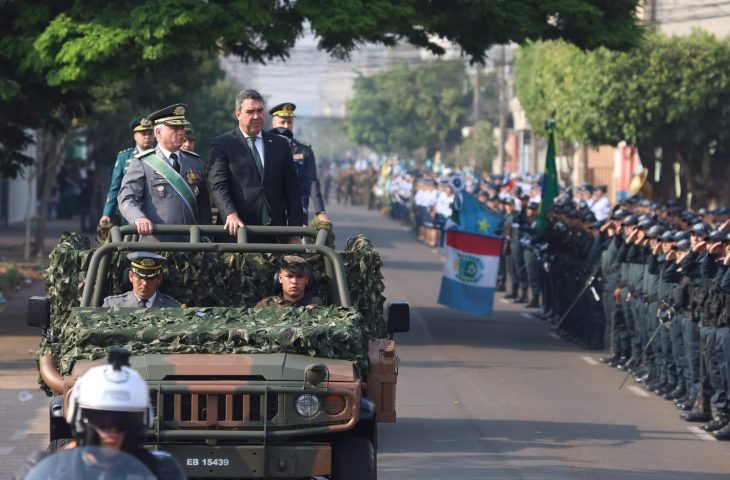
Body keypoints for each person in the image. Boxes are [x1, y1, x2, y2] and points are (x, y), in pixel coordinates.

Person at [14, 349, 185, 479]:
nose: (111, 431)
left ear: (143, 421)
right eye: (100, 420)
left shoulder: (161, 470)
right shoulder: (45, 469)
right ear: (78, 419)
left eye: (123, 422)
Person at [207, 90, 304, 242]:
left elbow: (292, 190)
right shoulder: (223, 144)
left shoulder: (280, 144)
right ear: (238, 114)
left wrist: (295, 232)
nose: (256, 116)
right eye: (250, 112)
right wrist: (230, 213)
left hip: (275, 234)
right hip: (238, 233)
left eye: (260, 111)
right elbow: (217, 186)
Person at [118, 104, 212, 241]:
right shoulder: (142, 163)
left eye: (182, 127)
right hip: (157, 245)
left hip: (192, 246)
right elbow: (126, 198)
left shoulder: (195, 161)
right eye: (174, 128)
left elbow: (204, 207)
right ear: (158, 133)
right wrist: (139, 218)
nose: (180, 132)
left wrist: (207, 238)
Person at [268, 102, 329, 224]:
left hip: (298, 209)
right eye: (282, 122)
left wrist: (320, 211)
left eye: (289, 122)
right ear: (273, 123)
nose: (286, 126)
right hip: (270, 209)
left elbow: (312, 181)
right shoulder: (264, 146)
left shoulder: (304, 150)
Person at [99, 116, 155, 225]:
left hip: (156, 215)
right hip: (130, 215)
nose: (147, 137)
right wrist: (107, 214)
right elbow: (115, 188)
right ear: (135, 136)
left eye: (150, 133)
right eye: (143, 133)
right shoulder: (124, 157)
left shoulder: (161, 157)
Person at [102, 252, 180, 308]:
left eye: (150, 278)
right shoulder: (112, 305)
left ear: (159, 278)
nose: (145, 283)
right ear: (131, 276)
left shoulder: (174, 308)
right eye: (140, 277)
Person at [256, 255, 321, 308]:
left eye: (300, 276)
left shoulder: (316, 307)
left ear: (306, 279)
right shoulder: (266, 305)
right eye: (289, 276)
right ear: (280, 278)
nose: (294, 281)